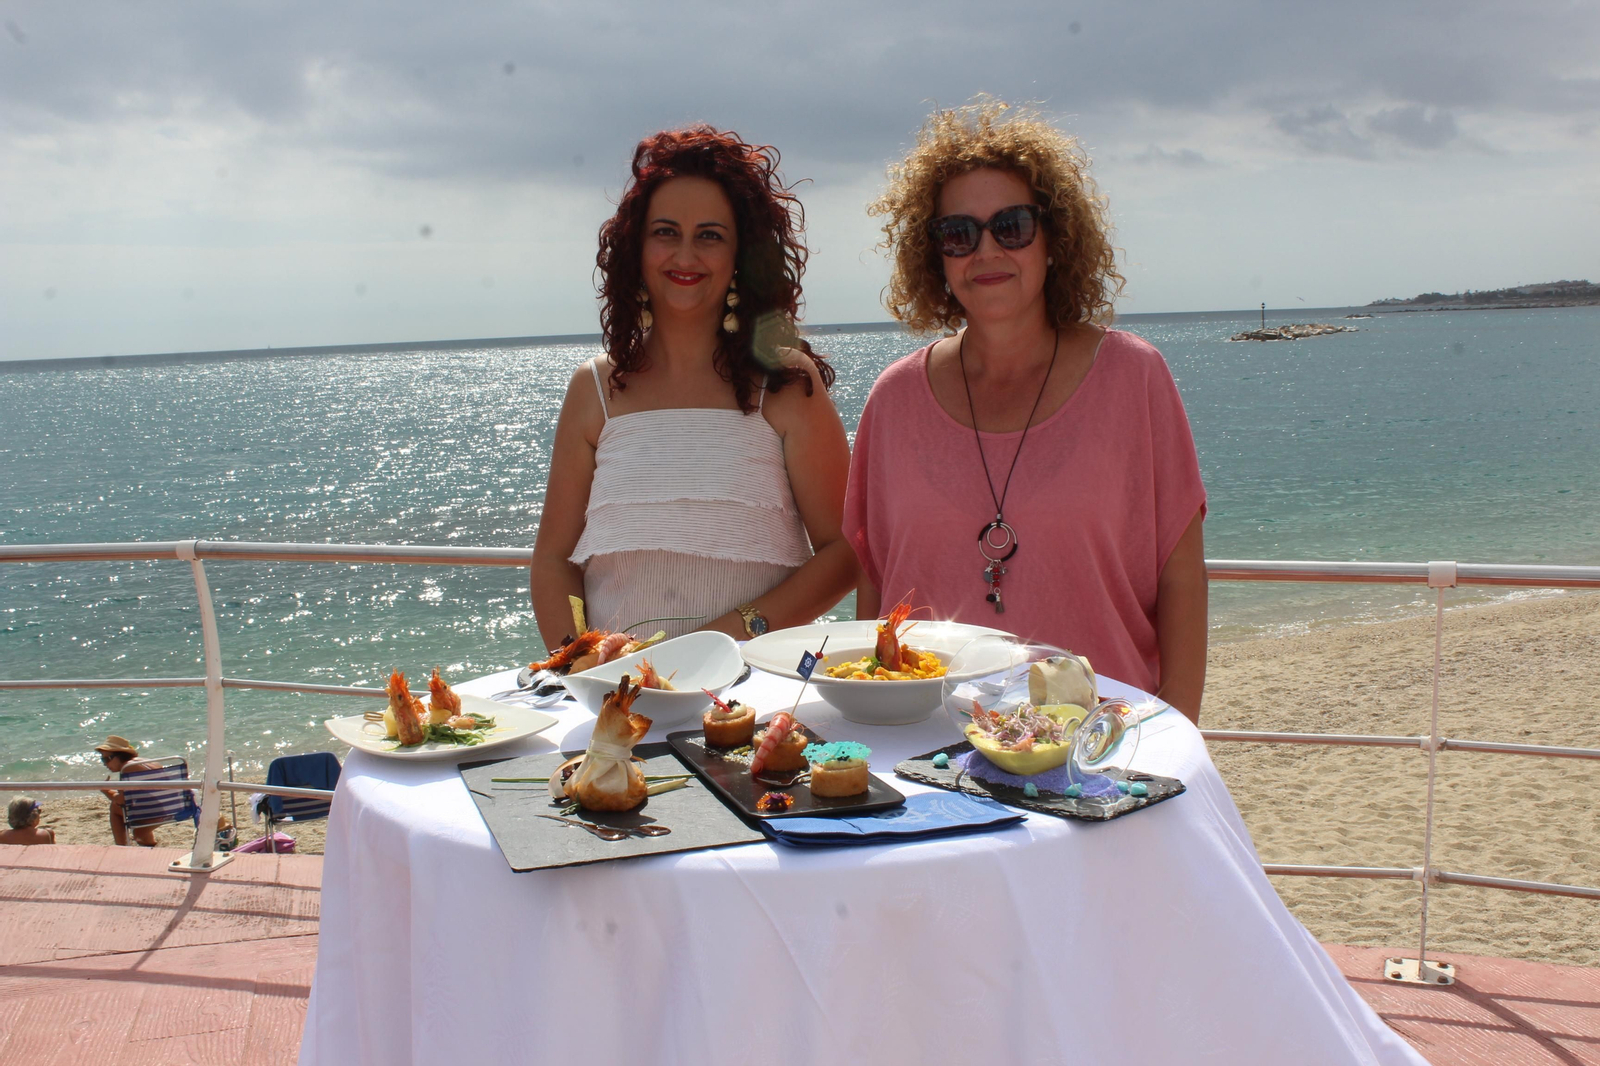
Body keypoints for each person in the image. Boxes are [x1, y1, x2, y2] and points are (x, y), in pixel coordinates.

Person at [847, 100, 1209, 721]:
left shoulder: (1134, 378)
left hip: (1101, 747)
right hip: (926, 751)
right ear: (934, 254)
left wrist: (1178, 726)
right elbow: (876, 590)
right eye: (958, 233)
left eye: (1011, 226)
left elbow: (1181, 576)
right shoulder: (893, 399)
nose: (985, 250)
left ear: (1054, 240)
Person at [532, 126, 856, 649]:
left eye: (709, 235)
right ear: (636, 248)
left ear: (739, 256)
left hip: (752, 692)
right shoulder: (592, 390)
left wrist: (729, 636)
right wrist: (578, 658)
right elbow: (554, 561)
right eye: (666, 232)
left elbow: (846, 550)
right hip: (623, 698)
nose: (685, 255)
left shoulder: (785, 384)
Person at [96, 735, 157, 846]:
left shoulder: (127, 768)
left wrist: (106, 791)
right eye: (102, 759)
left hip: (155, 812)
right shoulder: (151, 762)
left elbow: (121, 801)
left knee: (115, 807)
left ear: (119, 755)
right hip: (172, 807)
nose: (104, 763)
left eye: (106, 759)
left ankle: (122, 846)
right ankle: (149, 843)